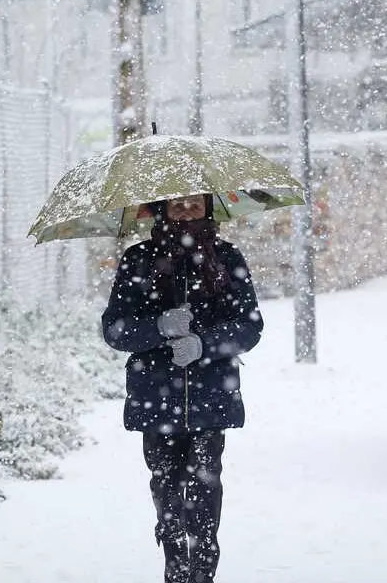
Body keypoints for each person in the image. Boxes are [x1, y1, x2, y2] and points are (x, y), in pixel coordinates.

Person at [101, 193, 264, 583]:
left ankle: (202, 573)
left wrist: (203, 344)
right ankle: (176, 571)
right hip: (156, 399)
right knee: (167, 492)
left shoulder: (226, 259)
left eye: (195, 204)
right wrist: (159, 327)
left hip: (210, 398)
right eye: (177, 205)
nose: (187, 212)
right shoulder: (138, 260)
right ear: (161, 210)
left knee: (204, 492)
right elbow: (114, 329)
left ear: (209, 207)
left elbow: (250, 325)